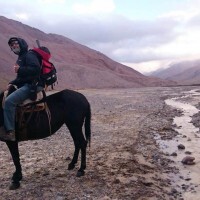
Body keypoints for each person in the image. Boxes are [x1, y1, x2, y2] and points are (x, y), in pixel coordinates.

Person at [0, 37, 44, 141]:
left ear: (21, 43)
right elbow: (21, 77)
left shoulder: (29, 55)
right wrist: (12, 82)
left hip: (33, 85)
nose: (14, 46)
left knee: (9, 101)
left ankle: (10, 132)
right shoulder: (20, 57)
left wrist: (20, 69)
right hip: (26, 84)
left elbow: (36, 69)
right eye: (11, 45)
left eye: (15, 43)